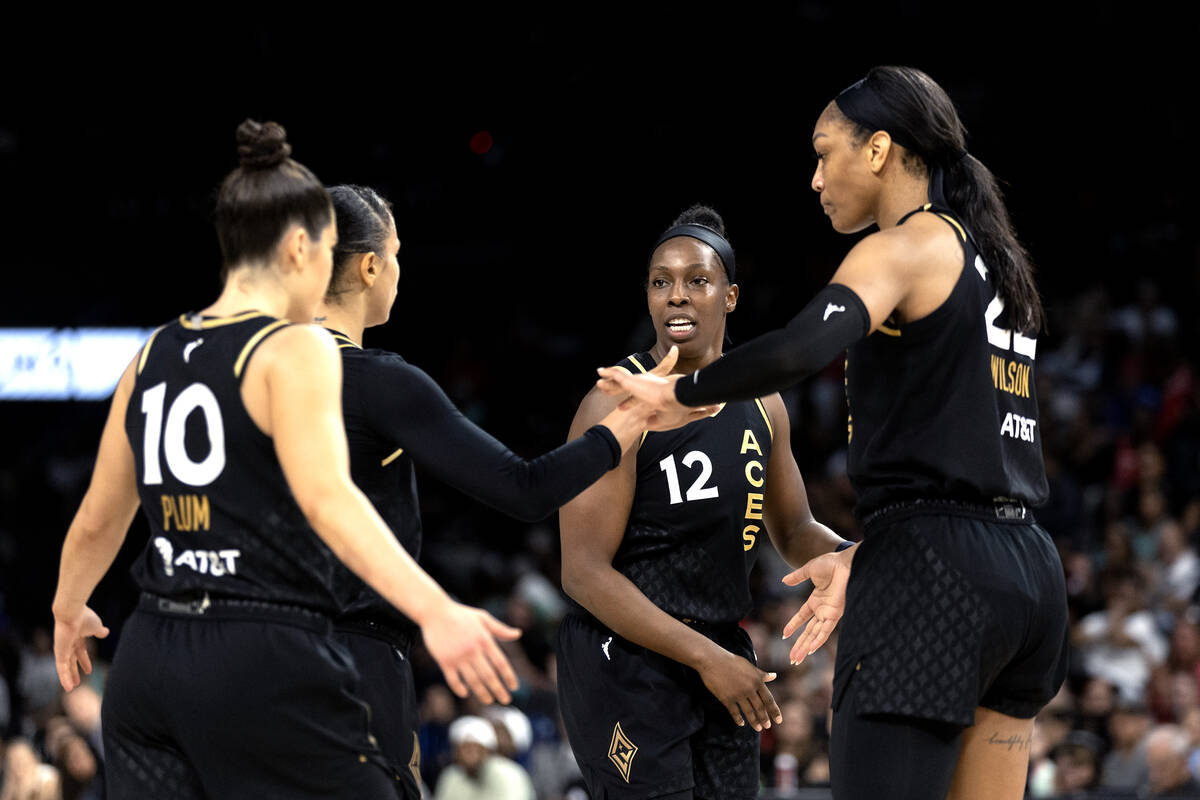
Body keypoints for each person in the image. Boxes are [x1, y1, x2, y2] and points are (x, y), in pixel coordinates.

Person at [598, 66, 1069, 800]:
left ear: (878, 150)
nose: (815, 179)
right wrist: (861, 554)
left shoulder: (907, 246)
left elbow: (795, 350)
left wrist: (678, 394)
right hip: (1028, 575)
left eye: (825, 153)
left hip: (932, 572)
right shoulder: (995, 263)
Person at [50, 120, 523, 799]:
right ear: (298, 248)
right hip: (257, 653)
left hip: (148, 660)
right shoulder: (292, 348)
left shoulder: (155, 349)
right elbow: (329, 500)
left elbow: (101, 515)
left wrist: (69, 608)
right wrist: (436, 610)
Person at [313, 184, 709, 797]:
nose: (397, 270)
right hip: (350, 666)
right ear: (369, 266)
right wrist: (627, 423)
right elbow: (524, 490)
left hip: (245, 654)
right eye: (395, 254)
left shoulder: (244, 372)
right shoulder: (375, 381)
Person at [557, 205, 847, 799]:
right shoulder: (614, 401)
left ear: (731, 296)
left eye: (697, 281)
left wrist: (854, 557)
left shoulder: (763, 402)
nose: (677, 296)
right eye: (661, 282)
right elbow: (582, 573)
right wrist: (706, 658)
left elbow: (794, 529)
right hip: (627, 657)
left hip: (719, 654)